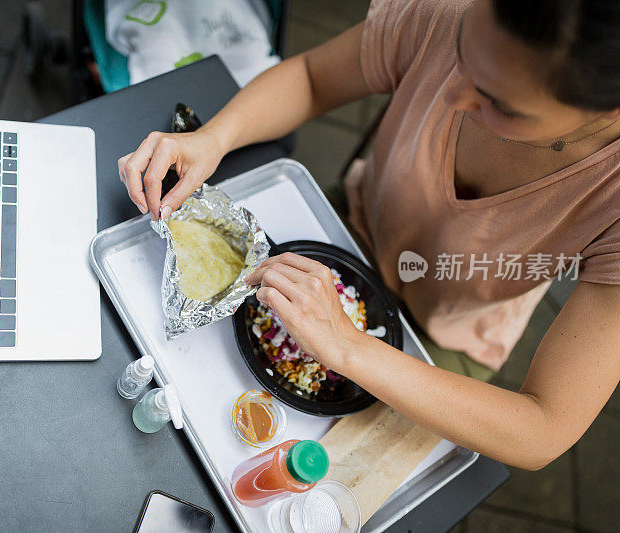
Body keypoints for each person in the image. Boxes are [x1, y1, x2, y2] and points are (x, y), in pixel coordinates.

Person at [117, 0, 620, 470]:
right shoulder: (453, 9)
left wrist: (346, 346)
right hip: (348, 223)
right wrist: (212, 138)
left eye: (500, 103)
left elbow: (543, 426)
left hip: (443, 335)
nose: (451, 93)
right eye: (462, 51)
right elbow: (313, 78)